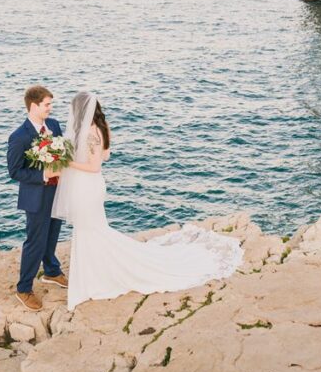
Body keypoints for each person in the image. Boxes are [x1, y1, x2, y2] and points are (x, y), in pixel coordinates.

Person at [52, 92, 242, 310]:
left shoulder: (88, 134)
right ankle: (94, 274)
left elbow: (94, 166)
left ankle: (93, 278)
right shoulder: (102, 128)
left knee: (89, 230)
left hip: (87, 186)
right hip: (94, 186)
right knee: (93, 229)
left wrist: (68, 162)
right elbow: (105, 157)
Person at [8, 85, 68, 311]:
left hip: (57, 191)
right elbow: (15, 172)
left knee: (53, 233)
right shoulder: (19, 137)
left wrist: (61, 169)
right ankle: (24, 288)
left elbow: (61, 153)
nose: (50, 109)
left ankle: (51, 271)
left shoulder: (53, 125)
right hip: (36, 195)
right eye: (47, 105)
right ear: (34, 106)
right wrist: (44, 174)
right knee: (35, 241)